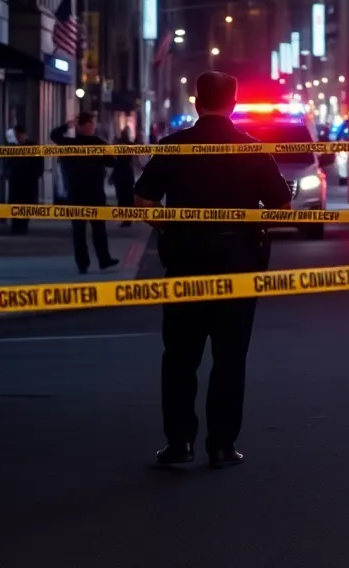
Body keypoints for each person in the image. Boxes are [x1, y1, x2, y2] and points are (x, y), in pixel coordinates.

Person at [134, 71, 292, 469]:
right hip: (239, 262)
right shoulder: (253, 150)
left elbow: (142, 202)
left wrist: (175, 226)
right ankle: (221, 445)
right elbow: (281, 207)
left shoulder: (173, 147)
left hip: (186, 263)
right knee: (230, 358)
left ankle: (179, 443)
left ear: (196, 101)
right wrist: (249, 222)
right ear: (233, 103)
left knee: (180, 358)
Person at [50, 113, 118, 274]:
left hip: (77, 193)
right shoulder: (97, 143)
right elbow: (112, 162)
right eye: (91, 124)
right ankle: (102, 259)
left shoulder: (69, 144)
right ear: (86, 126)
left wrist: (68, 125)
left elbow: (54, 135)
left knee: (81, 231)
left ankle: (85, 262)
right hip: (93, 193)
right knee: (96, 229)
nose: (93, 127)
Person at [5, 125, 44, 234]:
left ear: (21, 134)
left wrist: (34, 175)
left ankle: (21, 226)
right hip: (19, 180)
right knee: (18, 203)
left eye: (17, 135)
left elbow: (38, 164)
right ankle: (17, 226)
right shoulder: (15, 146)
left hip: (26, 180)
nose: (16, 137)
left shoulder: (32, 146)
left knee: (24, 203)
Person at [111, 128, 138, 228]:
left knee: (122, 197)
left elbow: (115, 160)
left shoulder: (120, 145)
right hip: (126, 174)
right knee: (127, 197)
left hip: (121, 174)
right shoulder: (129, 144)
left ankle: (126, 219)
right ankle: (128, 218)